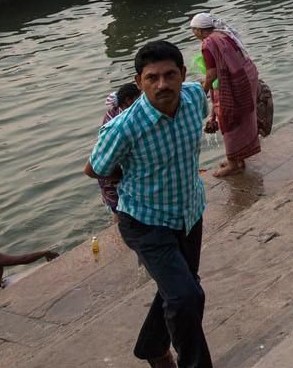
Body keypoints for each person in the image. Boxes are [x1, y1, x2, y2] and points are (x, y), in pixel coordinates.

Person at [85, 40, 211, 368]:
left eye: (170, 75)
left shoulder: (195, 98)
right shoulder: (123, 128)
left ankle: (152, 347)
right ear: (139, 81)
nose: (162, 84)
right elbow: (95, 168)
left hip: (189, 211)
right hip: (145, 221)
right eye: (152, 77)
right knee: (186, 296)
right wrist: (128, 182)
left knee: (181, 289)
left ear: (183, 75)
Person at [189, 14, 261, 178]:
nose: (193, 33)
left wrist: (203, 91)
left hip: (233, 83)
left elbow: (212, 73)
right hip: (245, 77)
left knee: (228, 120)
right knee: (241, 119)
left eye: (193, 30)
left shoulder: (208, 42)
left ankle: (233, 164)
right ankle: (238, 158)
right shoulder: (223, 34)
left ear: (199, 30)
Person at [97, 83, 142, 215]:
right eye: (139, 97)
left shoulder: (112, 113)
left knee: (117, 206)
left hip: (108, 169)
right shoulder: (121, 120)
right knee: (119, 207)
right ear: (129, 100)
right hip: (112, 172)